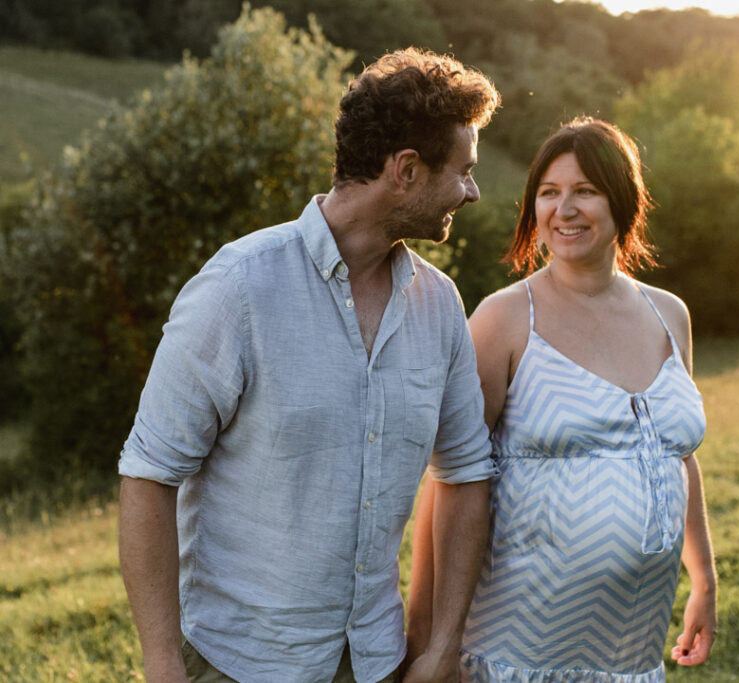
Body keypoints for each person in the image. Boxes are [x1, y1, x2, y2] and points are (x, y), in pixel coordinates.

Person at [117, 48, 500, 683]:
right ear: (406, 170)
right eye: (462, 171)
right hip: (236, 663)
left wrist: (440, 645)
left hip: (374, 662)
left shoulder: (440, 306)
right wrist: (162, 666)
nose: (472, 190)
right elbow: (148, 475)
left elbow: (465, 473)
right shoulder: (237, 289)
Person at [407, 117, 718, 680]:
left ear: (622, 200)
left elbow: (676, 458)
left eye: (585, 191)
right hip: (515, 656)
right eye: (549, 193)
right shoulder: (503, 320)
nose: (564, 209)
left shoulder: (669, 314)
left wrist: (705, 580)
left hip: (631, 659)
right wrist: (429, 643)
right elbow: (448, 481)